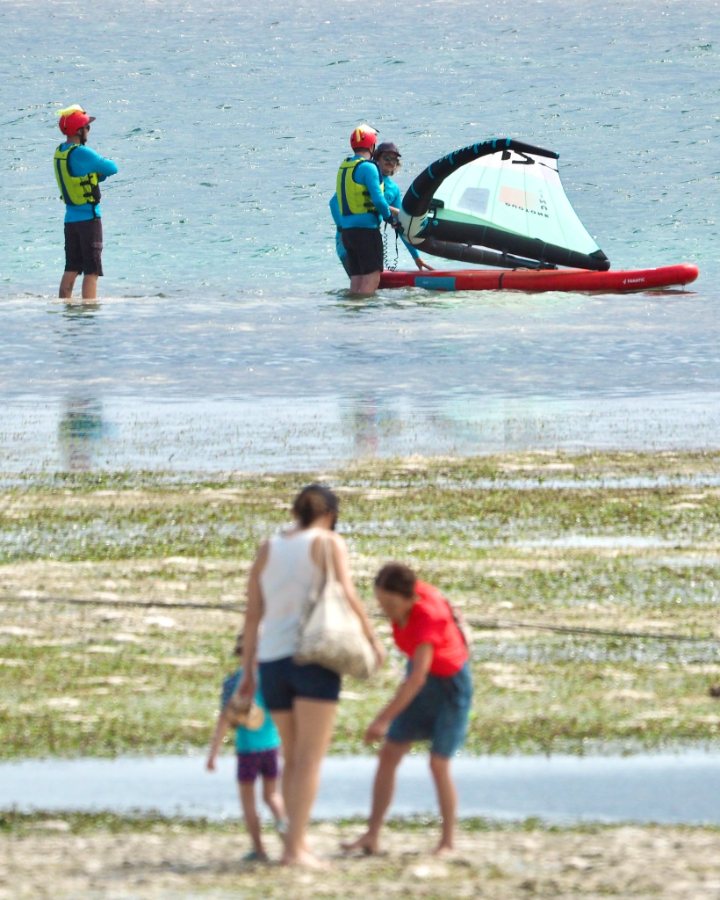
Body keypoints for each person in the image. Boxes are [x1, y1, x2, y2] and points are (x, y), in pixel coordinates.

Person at [238, 483, 384, 868]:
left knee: (291, 756)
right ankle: (294, 850)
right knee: (309, 759)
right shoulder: (328, 543)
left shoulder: (268, 548)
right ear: (330, 515)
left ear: (295, 512)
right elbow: (348, 594)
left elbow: (252, 616)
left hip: (272, 660)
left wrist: (247, 671)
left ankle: (295, 844)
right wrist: (373, 640)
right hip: (315, 656)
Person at [342, 562, 473, 857]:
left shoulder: (428, 617)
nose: (385, 610)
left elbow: (416, 679)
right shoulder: (410, 597)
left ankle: (447, 842)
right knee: (389, 754)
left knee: (438, 763)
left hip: (449, 685)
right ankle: (372, 835)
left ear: (409, 598)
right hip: (421, 674)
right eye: (380, 603)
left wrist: (382, 720)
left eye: (390, 604)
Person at [206, 632, 287, 863]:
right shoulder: (271, 681)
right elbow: (282, 715)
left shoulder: (234, 682)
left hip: (247, 750)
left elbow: (224, 720)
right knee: (273, 796)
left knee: (248, 801)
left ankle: (259, 849)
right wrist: (285, 746)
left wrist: (213, 754)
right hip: (271, 747)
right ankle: (288, 836)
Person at [329, 140, 433, 276]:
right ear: (376, 159)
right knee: (366, 279)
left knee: (366, 281)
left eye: (394, 159)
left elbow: (400, 224)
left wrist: (416, 257)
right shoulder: (364, 174)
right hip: (348, 238)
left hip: (368, 237)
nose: (390, 162)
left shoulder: (393, 189)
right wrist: (342, 228)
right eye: (386, 158)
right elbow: (334, 203)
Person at [54, 104, 118, 301]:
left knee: (71, 267)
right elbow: (112, 167)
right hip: (89, 219)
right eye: (87, 127)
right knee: (92, 270)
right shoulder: (82, 153)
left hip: (70, 220)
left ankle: (64, 306)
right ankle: (89, 312)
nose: (89, 130)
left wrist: (94, 174)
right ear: (79, 131)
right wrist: (97, 171)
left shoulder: (61, 152)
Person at [333, 124, 395, 295]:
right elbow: (378, 199)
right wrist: (390, 218)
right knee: (372, 277)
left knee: (357, 277)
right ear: (372, 146)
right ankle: (365, 310)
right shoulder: (368, 167)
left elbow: (334, 201)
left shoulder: (344, 167)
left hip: (347, 233)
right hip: (366, 232)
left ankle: (353, 307)